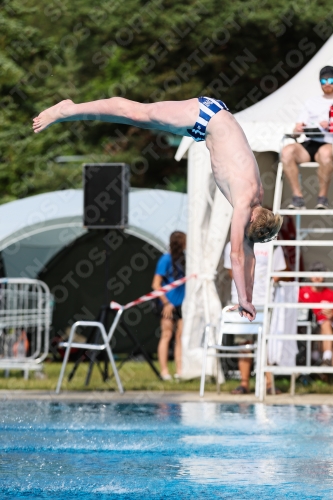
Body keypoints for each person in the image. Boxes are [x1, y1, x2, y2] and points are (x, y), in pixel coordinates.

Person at [33, 95, 283, 321]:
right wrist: (242, 297)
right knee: (137, 114)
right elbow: (237, 255)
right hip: (205, 117)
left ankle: (72, 110)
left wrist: (247, 298)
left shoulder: (256, 203)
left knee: (140, 116)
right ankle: (69, 109)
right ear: (251, 220)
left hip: (210, 122)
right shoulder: (243, 202)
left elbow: (247, 253)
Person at [224, 240, 287, 394]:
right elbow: (231, 271)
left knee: (266, 343)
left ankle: (268, 383)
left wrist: (265, 282)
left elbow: (279, 272)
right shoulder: (234, 243)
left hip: (266, 301)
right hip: (243, 300)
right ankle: (244, 383)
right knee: (244, 343)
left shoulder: (274, 245)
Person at [282, 66, 333, 209]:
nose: (327, 83)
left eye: (330, 79)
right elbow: (297, 127)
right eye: (324, 80)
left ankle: (322, 198)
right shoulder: (311, 102)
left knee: (325, 153)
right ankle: (298, 198)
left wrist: (329, 125)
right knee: (287, 151)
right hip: (310, 143)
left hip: (329, 144)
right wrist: (298, 129)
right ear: (320, 82)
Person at [152, 231, 186, 380]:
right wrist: (166, 303)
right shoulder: (165, 260)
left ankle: (180, 371)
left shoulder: (186, 260)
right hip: (168, 304)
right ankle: (164, 371)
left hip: (182, 304)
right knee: (167, 335)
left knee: (180, 337)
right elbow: (156, 285)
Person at [299, 261, 333, 367]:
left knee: (326, 324)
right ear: (310, 275)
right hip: (306, 327)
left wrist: (331, 314)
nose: (317, 277)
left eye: (320, 273)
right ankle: (322, 360)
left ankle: (326, 359)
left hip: (325, 327)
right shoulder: (302, 292)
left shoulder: (330, 294)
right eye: (314, 273)